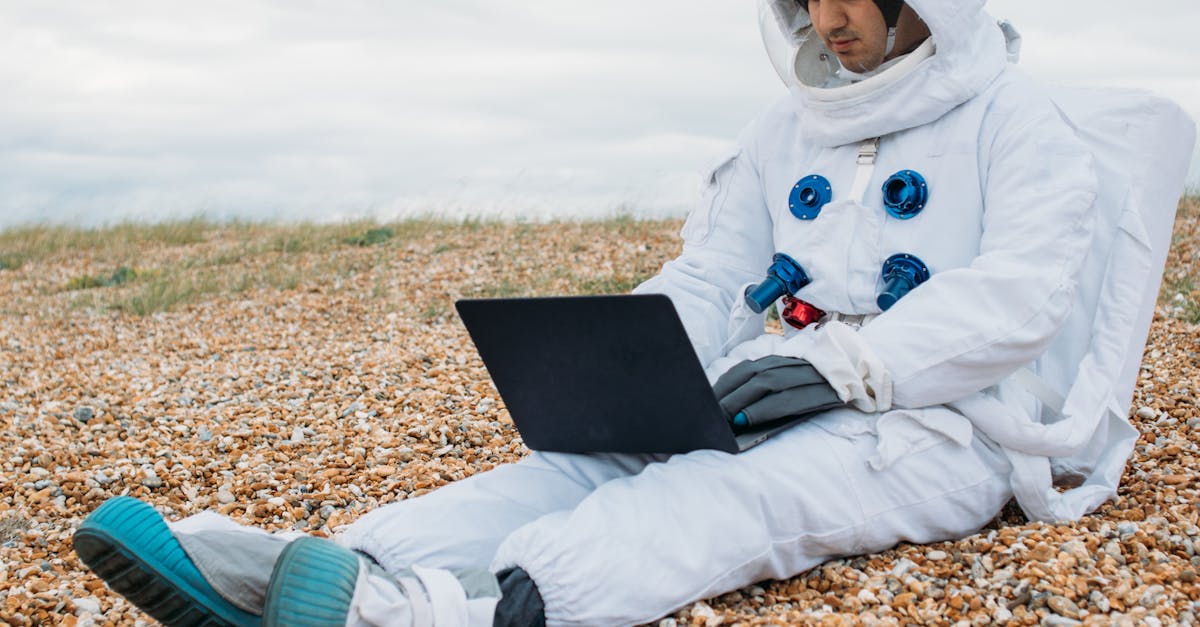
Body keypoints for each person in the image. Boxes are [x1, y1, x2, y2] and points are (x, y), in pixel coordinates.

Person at [73, 0, 1144, 625]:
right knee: (568, 470)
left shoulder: (1017, 120)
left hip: (933, 424)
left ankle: (447, 615)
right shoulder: (789, 126)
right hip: (764, 384)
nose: (829, 19)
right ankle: (315, 568)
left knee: (724, 499)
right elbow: (713, 270)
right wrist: (627, 362)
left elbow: (1023, 293)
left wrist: (857, 368)